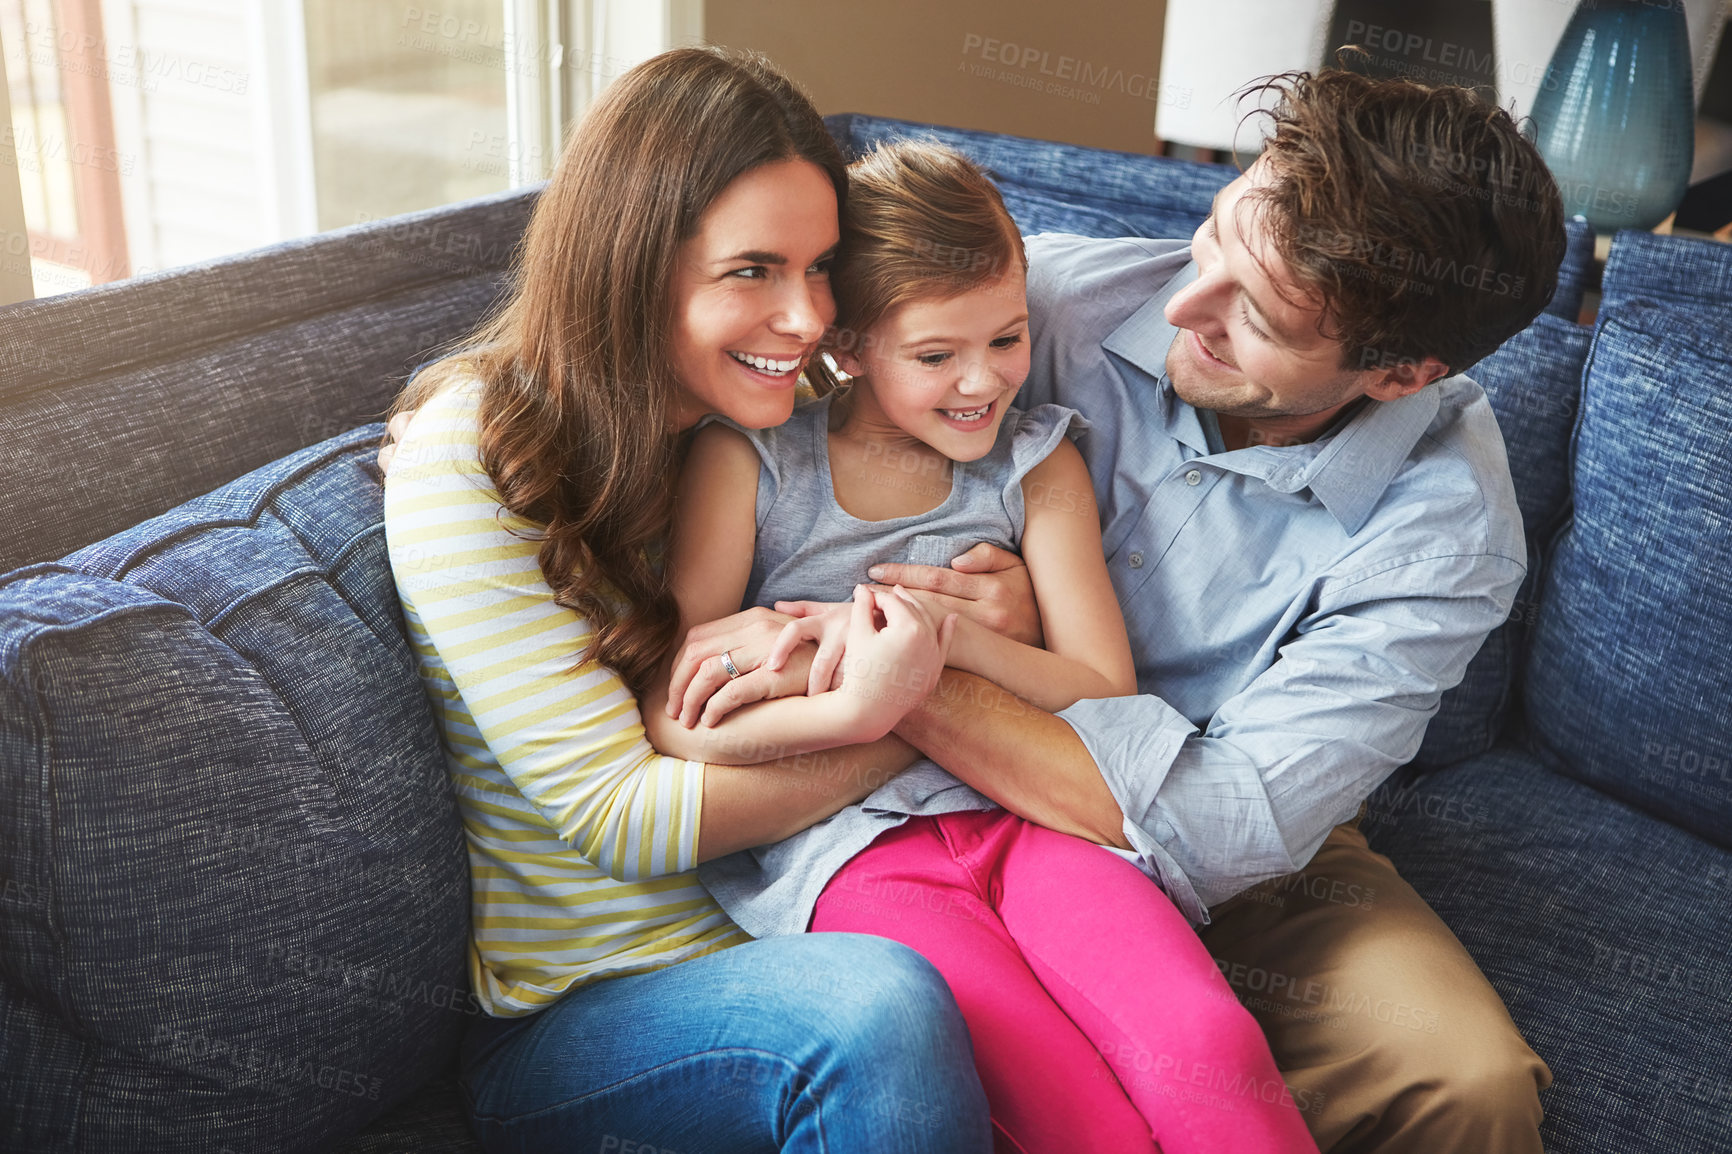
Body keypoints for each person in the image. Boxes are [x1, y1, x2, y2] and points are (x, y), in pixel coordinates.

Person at [669, 67, 1567, 1153]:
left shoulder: (1447, 528)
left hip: (1237, 821)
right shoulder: (1039, 306)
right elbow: (816, 407)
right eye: (1216, 239)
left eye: (1261, 315)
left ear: (1398, 373)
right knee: (1030, 1061)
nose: (1182, 309)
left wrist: (910, 664)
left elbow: (1219, 826)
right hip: (901, 812)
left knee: (1464, 1082)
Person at [648, 138, 1318, 1154]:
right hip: (851, 851)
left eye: (1007, 338)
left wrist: (935, 635)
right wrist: (861, 698)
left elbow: (1100, 683)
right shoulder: (747, 463)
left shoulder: (1035, 460)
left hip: (1028, 815)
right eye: (934, 356)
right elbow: (672, 711)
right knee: (1067, 1101)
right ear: (848, 347)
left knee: (1207, 1043)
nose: (982, 381)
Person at [380, 47, 991, 1152]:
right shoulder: (465, 456)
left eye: (819, 268)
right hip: (590, 1010)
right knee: (873, 1013)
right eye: (754, 269)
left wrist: (977, 609)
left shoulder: (749, 430)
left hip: (793, 907)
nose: (806, 318)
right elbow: (623, 815)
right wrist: (916, 707)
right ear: (630, 263)